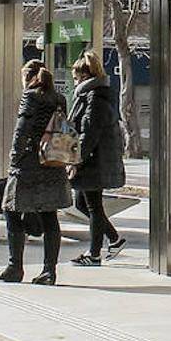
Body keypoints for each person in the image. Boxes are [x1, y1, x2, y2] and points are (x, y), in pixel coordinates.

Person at [0, 60, 71, 286]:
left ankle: (14, 267)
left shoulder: (30, 96)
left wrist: (14, 160)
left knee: (11, 210)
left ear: (27, 76)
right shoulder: (59, 98)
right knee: (49, 216)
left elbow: (22, 130)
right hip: (52, 162)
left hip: (28, 164)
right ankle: (49, 271)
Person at [67, 51, 127, 267]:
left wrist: (76, 160)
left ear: (85, 77)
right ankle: (114, 239)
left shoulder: (95, 99)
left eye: (75, 77)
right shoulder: (93, 96)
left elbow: (89, 134)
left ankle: (94, 255)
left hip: (94, 160)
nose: (74, 82)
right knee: (82, 203)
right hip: (94, 159)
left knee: (92, 206)